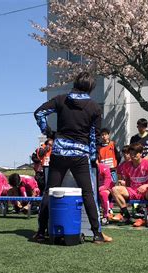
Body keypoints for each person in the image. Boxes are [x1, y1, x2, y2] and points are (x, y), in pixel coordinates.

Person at [33, 71, 112, 243]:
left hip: (59, 152)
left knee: (49, 191)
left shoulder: (61, 99)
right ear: (90, 87)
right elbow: (94, 136)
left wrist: (48, 133)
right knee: (88, 194)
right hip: (80, 155)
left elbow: (39, 113)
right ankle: (97, 234)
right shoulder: (94, 107)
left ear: (75, 83)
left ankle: (40, 231)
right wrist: (93, 157)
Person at [111, 143, 148, 228]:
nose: (132, 156)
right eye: (131, 154)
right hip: (133, 191)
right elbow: (128, 181)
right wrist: (125, 188)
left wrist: (145, 186)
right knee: (115, 189)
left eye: (135, 153)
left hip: (145, 192)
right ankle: (127, 216)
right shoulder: (126, 165)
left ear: (140, 153)